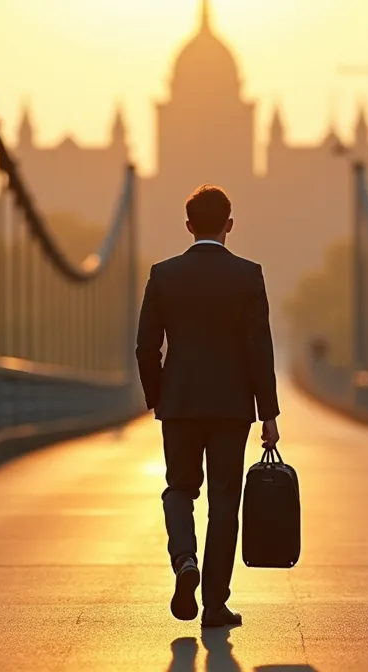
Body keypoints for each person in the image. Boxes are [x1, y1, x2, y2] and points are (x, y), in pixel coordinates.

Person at [135, 184, 280, 628]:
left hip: (179, 404)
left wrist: (159, 396)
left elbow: (145, 347)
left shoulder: (163, 275)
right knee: (223, 502)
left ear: (188, 226)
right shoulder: (248, 275)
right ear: (229, 226)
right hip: (231, 408)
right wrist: (268, 413)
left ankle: (184, 562)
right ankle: (215, 605)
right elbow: (259, 349)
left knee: (179, 488)